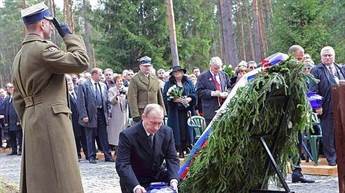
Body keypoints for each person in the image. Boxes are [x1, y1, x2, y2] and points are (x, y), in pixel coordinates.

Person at [12, 2, 89, 193]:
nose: (52, 29)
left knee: (40, 178)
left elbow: (18, 99)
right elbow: (81, 62)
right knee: (62, 177)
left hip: (32, 120)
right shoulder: (43, 50)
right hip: (52, 120)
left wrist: (31, 118)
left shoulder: (19, 56)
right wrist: (68, 36)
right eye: (49, 23)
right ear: (43, 24)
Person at [116, 104, 179, 193]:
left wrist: (173, 180)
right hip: (135, 179)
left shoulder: (167, 132)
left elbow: (172, 158)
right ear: (143, 117)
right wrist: (136, 186)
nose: (156, 127)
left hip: (157, 176)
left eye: (159, 123)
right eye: (153, 123)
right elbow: (123, 164)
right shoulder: (127, 135)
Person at [311, 46, 345, 166]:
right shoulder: (316, 70)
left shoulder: (340, 69)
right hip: (326, 107)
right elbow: (312, 91)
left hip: (341, 107)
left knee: (341, 133)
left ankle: (342, 157)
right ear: (321, 57)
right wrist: (317, 106)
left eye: (329, 55)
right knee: (328, 134)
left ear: (334, 56)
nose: (327, 57)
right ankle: (332, 159)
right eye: (325, 55)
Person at [287, 45, 315, 183]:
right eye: (299, 58)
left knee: (298, 141)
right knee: (289, 143)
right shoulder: (286, 72)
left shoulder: (301, 72)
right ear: (291, 57)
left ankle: (297, 172)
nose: (301, 60)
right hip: (288, 115)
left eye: (302, 58)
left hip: (298, 113)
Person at [78, 67, 114, 163]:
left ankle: (107, 155)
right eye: (100, 74)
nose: (102, 76)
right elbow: (81, 102)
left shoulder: (103, 85)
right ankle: (91, 156)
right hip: (89, 114)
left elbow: (106, 101)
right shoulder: (84, 85)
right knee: (90, 135)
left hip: (101, 113)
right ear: (94, 74)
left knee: (103, 135)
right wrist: (83, 115)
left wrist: (108, 114)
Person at [163, 66, 196, 158]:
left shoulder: (188, 82)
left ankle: (189, 147)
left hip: (187, 110)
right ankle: (179, 149)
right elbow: (166, 97)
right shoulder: (168, 84)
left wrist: (189, 98)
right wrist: (175, 99)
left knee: (188, 129)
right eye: (175, 73)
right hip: (176, 112)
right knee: (178, 130)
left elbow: (194, 93)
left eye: (179, 72)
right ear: (173, 74)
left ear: (182, 73)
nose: (178, 74)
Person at [128, 56, 165, 123]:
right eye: (145, 66)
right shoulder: (135, 79)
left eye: (149, 66)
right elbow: (132, 98)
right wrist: (135, 115)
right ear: (140, 66)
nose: (147, 68)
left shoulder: (155, 78)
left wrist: (163, 111)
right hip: (142, 111)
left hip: (155, 110)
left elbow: (159, 96)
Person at [196, 57, 231, 125]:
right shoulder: (202, 77)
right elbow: (199, 92)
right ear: (210, 66)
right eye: (215, 68)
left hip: (224, 109)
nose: (217, 70)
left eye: (219, 68)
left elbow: (230, 87)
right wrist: (213, 93)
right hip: (210, 111)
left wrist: (227, 92)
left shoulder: (224, 75)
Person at [66, 74, 88, 160]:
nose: (70, 85)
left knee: (84, 136)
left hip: (81, 118)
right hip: (72, 119)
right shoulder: (64, 95)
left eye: (70, 82)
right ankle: (77, 153)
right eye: (67, 83)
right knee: (75, 137)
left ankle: (87, 153)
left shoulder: (77, 91)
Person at [107, 75, 128, 154]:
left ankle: (124, 149)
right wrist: (117, 95)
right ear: (115, 82)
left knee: (124, 130)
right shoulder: (111, 90)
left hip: (124, 113)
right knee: (116, 133)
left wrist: (126, 93)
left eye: (121, 81)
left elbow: (129, 99)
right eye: (118, 81)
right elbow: (111, 101)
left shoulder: (126, 89)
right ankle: (117, 150)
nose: (120, 83)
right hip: (116, 113)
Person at [1, 83, 22, 155]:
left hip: (16, 121)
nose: (9, 89)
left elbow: (20, 109)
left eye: (11, 87)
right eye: (8, 88)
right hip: (9, 121)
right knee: (11, 136)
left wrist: (19, 120)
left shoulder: (18, 98)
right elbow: (4, 110)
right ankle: (14, 150)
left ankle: (20, 150)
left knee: (19, 137)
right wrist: (6, 121)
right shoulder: (7, 99)